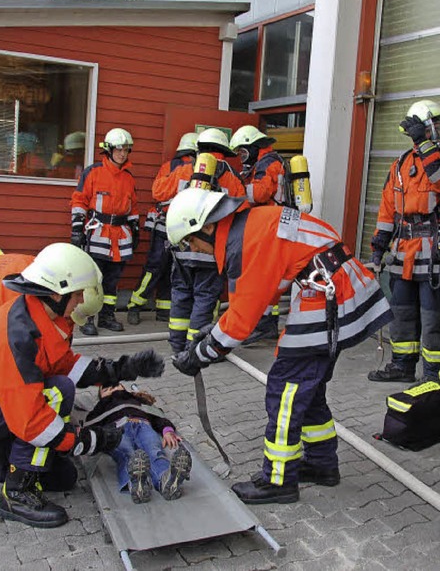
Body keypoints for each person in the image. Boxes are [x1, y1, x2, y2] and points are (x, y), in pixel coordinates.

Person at [166, 188, 392, 505]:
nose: (195, 250)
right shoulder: (254, 223)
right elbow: (261, 292)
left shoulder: (250, 239)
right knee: (307, 391)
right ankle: (321, 464)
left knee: (284, 389)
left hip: (329, 296)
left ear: (206, 225)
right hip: (335, 289)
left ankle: (279, 480)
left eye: (191, 241)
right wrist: (214, 330)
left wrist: (201, 354)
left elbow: (244, 317)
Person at [0, 243, 165, 528]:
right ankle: (16, 494)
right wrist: (93, 440)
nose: (80, 301)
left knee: (63, 477)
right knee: (56, 392)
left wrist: (121, 369)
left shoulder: (34, 314)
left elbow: (65, 364)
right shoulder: (17, 336)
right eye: (77, 294)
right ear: (56, 293)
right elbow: (31, 422)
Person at [367, 100, 440, 384]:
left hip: (437, 251)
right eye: (428, 128)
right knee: (401, 313)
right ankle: (402, 366)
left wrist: (424, 145)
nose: (436, 132)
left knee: (433, 316)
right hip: (403, 252)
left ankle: (434, 373)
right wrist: (378, 247)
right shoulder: (399, 164)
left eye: (438, 126)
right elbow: (388, 210)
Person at [167, 128, 246, 354]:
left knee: (181, 294)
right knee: (205, 297)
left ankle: (176, 344)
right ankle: (195, 346)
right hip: (211, 249)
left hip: (183, 246)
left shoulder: (184, 171)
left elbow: (161, 194)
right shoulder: (231, 176)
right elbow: (243, 212)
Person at [71, 127, 140, 335]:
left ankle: (107, 316)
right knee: (93, 278)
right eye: (119, 149)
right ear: (109, 150)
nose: (122, 154)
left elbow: (133, 206)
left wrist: (135, 228)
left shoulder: (128, 178)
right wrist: (76, 228)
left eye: (126, 150)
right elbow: (79, 200)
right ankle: (87, 318)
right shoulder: (93, 172)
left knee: (112, 280)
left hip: (120, 234)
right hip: (98, 232)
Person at [126, 132, 199, 325]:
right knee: (158, 266)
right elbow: (158, 192)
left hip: (179, 225)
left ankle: (162, 308)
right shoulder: (174, 167)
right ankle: (135, 304)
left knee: (168, 268)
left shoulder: (174, 166)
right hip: (168, 224)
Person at [84, 383, 192, 503]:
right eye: (106, 389)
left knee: (154, 451)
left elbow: (156, 416)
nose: (112, 388)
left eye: (115, 386)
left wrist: (167, 430)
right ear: (101, 397)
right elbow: (92, 424)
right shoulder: (101, 406)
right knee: (127, 455)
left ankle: (166, 479)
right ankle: (135, 483)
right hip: (116, 431)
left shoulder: (136, 400)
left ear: (124, 388)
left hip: (143, 425)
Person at [229, 125, 287, 344]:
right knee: (263, 277)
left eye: (243, 152)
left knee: (262, 277)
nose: (242, 158)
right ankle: (264, 324)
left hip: (271, 226)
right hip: (269, 225)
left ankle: (263, 325)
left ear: (254, 147)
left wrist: (234, 189)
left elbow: (260, 193)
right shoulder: (261, 163)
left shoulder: (268, 163)